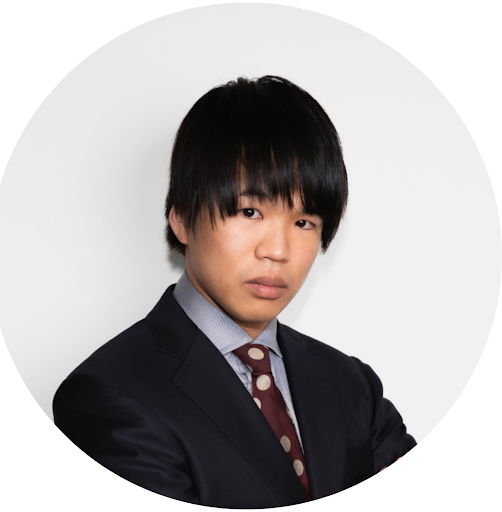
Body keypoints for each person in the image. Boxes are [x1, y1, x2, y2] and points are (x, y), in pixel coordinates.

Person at [53, 76, 416, 508]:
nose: (277, 250)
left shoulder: (352, 385)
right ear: (182, 218)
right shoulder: (108, 396)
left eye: (303, 222)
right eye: (249, 211)